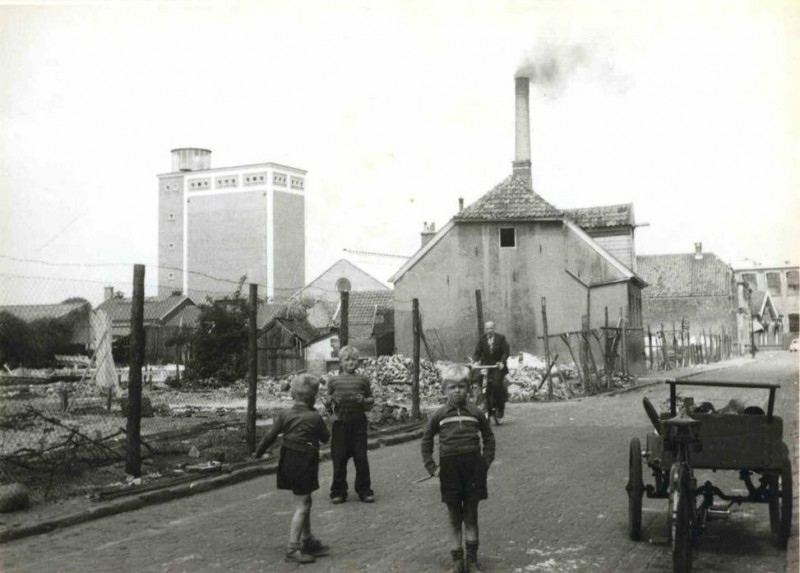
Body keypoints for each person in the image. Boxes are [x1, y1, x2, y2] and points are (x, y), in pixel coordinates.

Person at [421, 364, 496, 573]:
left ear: (469, 387)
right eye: (452, 387)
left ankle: (472, 561)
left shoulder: (476, 412)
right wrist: (432, 467)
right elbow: (426, 441)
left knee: (471, 515)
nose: (457, 391)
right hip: (450, 471)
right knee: (454, 516)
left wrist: (485, 462)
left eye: (462, 386)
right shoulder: (439, 415)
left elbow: (489, 438)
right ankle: (457, 562)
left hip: (473, 470)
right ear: (444, 389)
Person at [254, 374, 331, 564]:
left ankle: (308, 539)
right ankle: (293, 547)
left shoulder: (284, 415)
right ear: (313, 397)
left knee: (304, 501)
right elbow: (325, 437)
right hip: (305, 463)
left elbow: (270, 437)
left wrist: (258, 452)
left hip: (287, 461)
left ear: (292, 395)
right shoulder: (314, 417)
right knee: (302, 504)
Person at [324, 345, 376, 503]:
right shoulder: (333, 381)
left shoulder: (363, 380)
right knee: (339, 459)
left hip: (358, 424)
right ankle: (338, 491)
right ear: (340, 362)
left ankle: (364, 490)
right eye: (347, 360)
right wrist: (330, 412)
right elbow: (327, 402)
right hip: (340, 425)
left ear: (358, 362)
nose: (350, 362)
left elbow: (371, 401)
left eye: (354, 359)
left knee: (361, 458)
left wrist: (365, 401)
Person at [473, 321, 510, 418]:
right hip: (486, 366)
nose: (489, 331)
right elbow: (477, 352)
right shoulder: (482, 339)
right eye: (487, 329)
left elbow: (505, 352)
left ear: (494, 328)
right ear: (485, 329)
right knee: (480, 382)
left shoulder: (501, 338)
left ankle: (500, 407)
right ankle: (486, 403)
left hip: (497, 366)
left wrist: (502, 362)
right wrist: (476, 361)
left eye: (491, 328)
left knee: (496, 384)